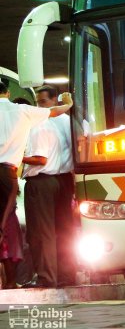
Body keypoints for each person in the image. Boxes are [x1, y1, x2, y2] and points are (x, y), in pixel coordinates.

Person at [0, 80, 73, 248]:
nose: (40, 105)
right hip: (8, 174)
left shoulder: (28, 116)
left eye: (42, 101)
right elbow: (53, 112)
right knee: (7, 217)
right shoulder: (23, 112)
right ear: (8, 93)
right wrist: (68, 104)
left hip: (39, 179)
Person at [21, 85, 76, 288]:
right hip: (64, 181)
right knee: (65, 231)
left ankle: (46, 277)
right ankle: (67, 275)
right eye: (37, 103)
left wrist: (17, 155)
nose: (39, 107)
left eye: (43, 102)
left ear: (54, 101)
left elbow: (40, 159)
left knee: (40, 232)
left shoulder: (39, 124)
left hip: (42, 181)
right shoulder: (71, 122)